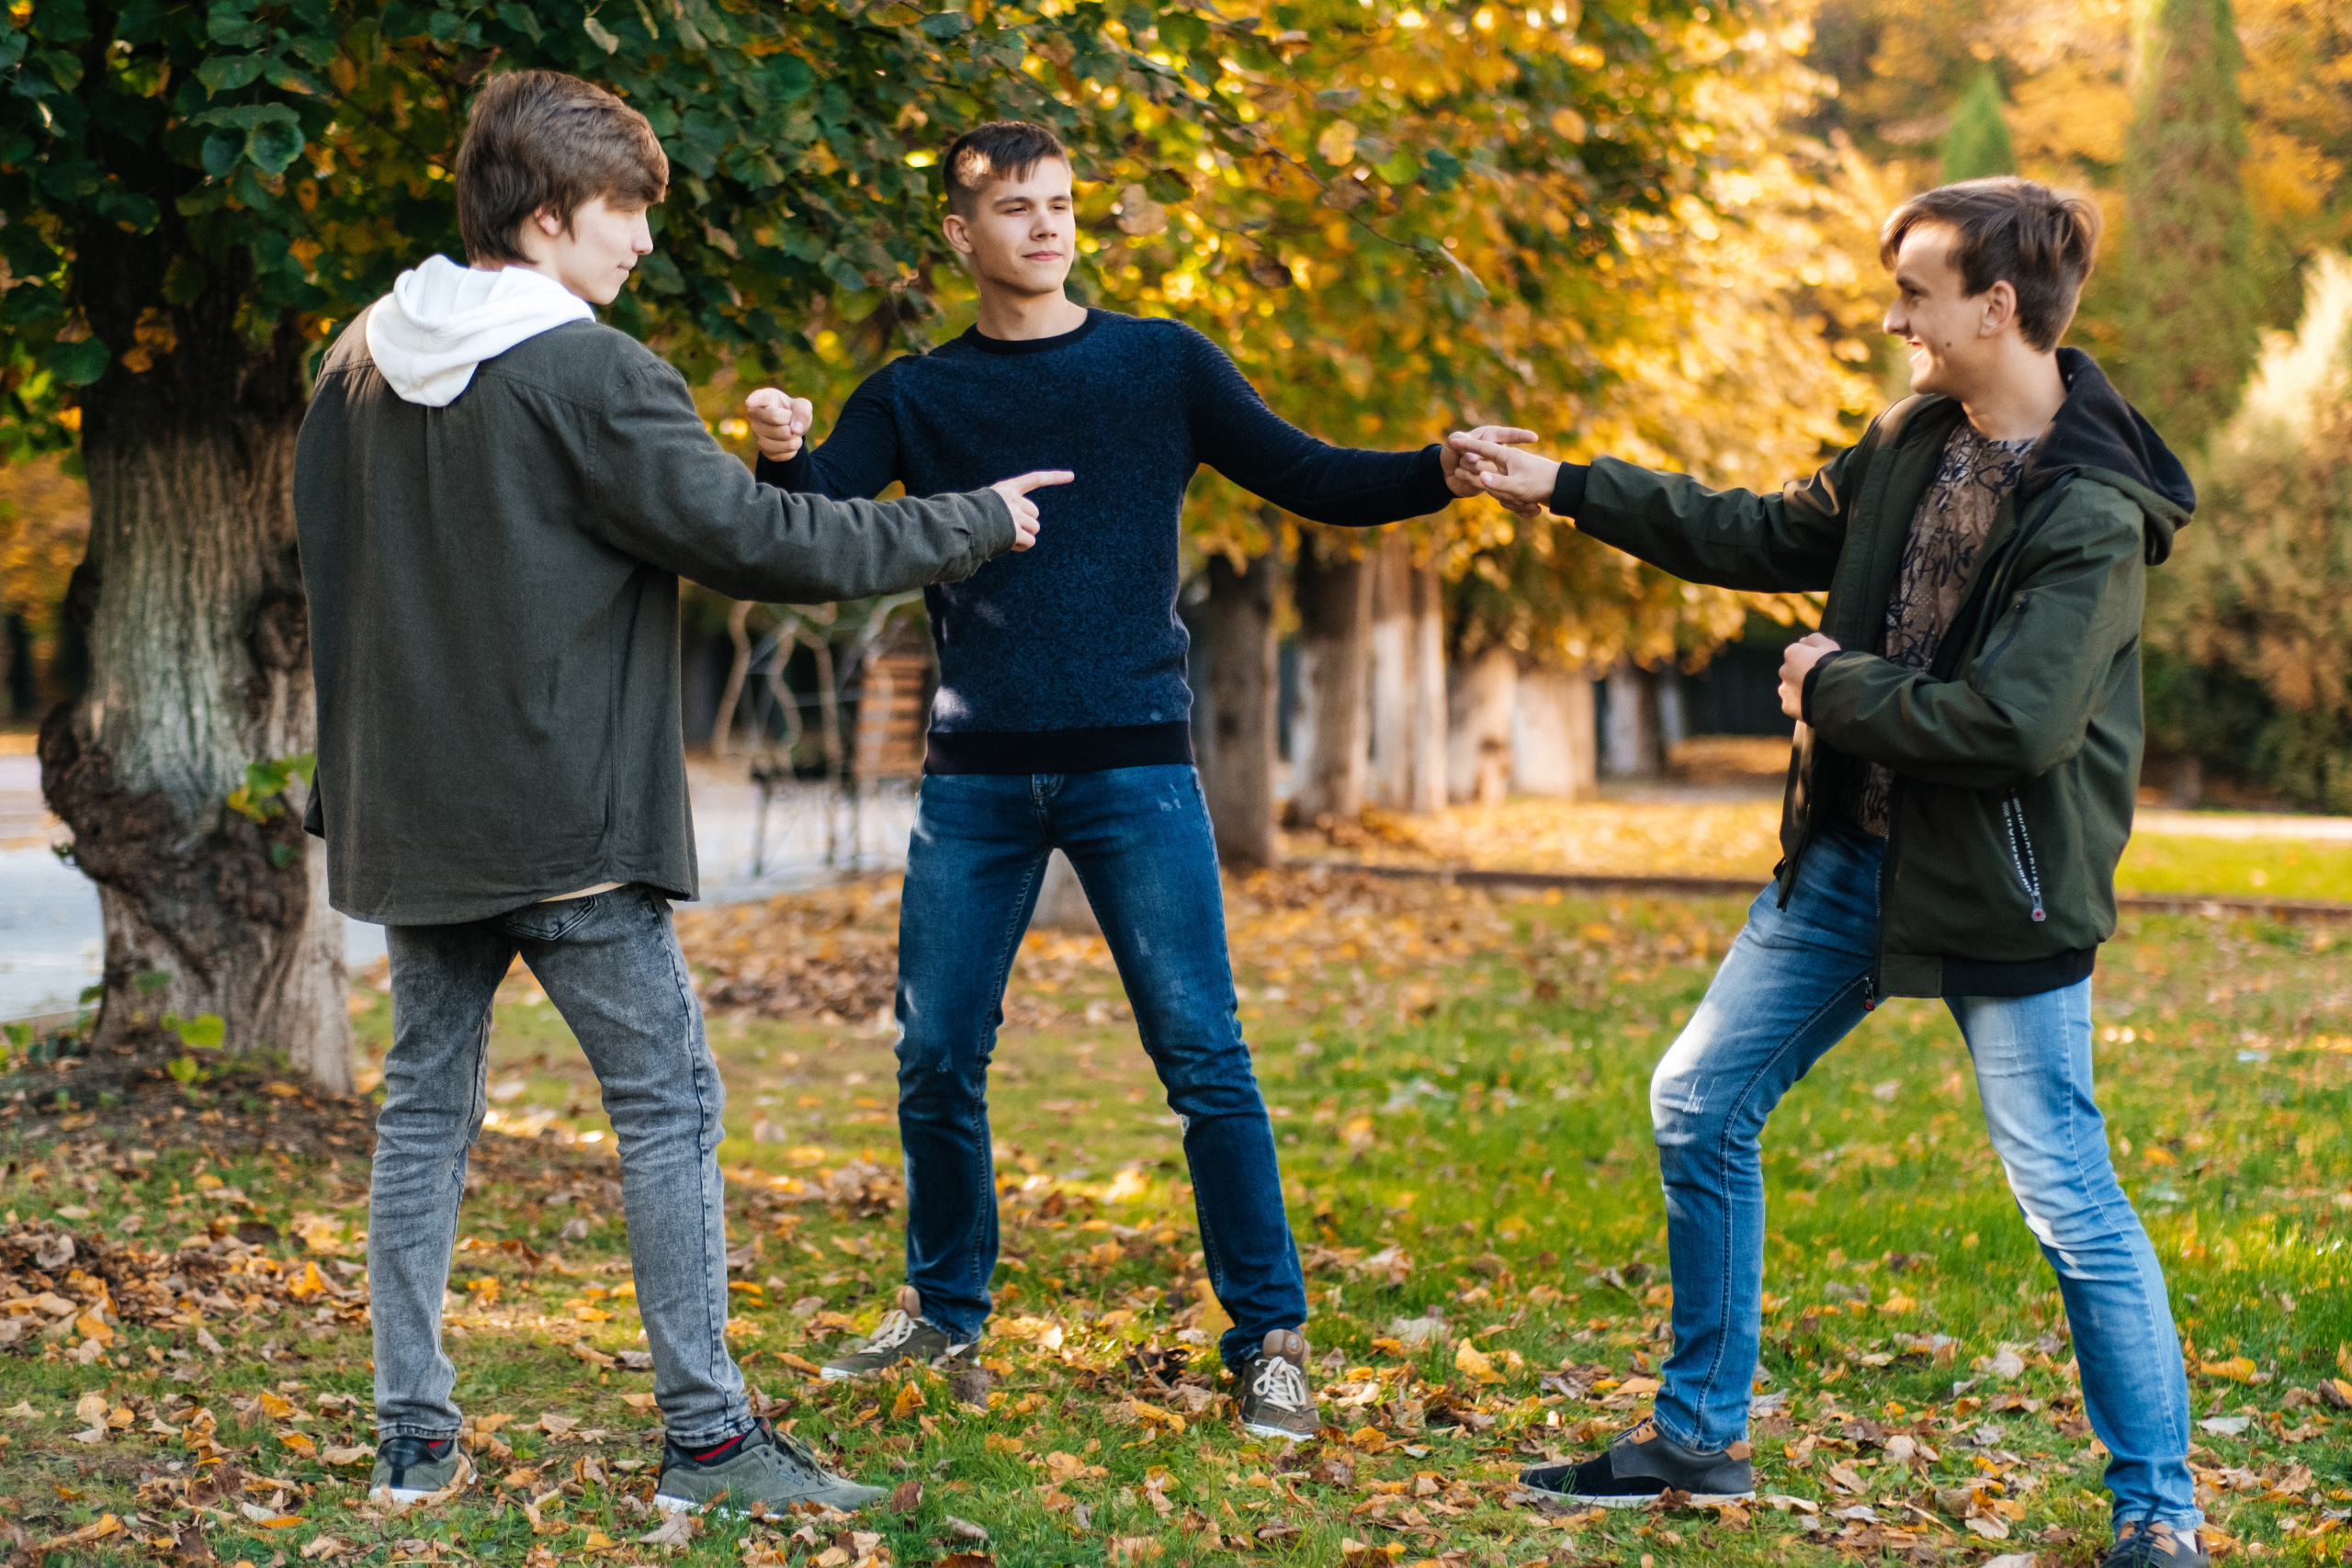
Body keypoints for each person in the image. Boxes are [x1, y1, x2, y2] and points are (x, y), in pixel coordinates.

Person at [296, 70, 1069, 1517]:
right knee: (668, 1104)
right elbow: (765, 542)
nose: (643, 242)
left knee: (423, 1111)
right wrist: (976, 520)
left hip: (415, 817)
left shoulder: (356, 364)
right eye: (624, 213)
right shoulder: (588, 369)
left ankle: (415, 1436)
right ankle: (711, 1444)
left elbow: (342, 586)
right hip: (567, 822)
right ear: (544, 218)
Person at [1450, 177, 2205, 1566]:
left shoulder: (2094, 511)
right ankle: (1697, 1435)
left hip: (2001, 884)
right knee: (1699, 1099)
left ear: (1997, 304)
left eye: (1915, 292)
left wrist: (1832, 691)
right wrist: (1562, 485)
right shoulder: (1914, 435)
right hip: (1852, 857)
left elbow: (2015, 724)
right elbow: (1766, 533)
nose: (1892, 316)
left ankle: (2158, 1520)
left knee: (2068, 1198)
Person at [741, 119, 1527, 1441]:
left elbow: (1310, 474)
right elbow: (815, 520)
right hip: (977, 775)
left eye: (1058, 205)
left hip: (1134, 763)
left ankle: (1268, 1335)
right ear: (961, 233)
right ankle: (943, 1310)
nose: (1044, 227)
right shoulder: (917, 393)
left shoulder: (1158, 362)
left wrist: (1433, 472)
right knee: (936, 1052)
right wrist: (777, 447)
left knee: (1203, 1053)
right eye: (1012, 209)